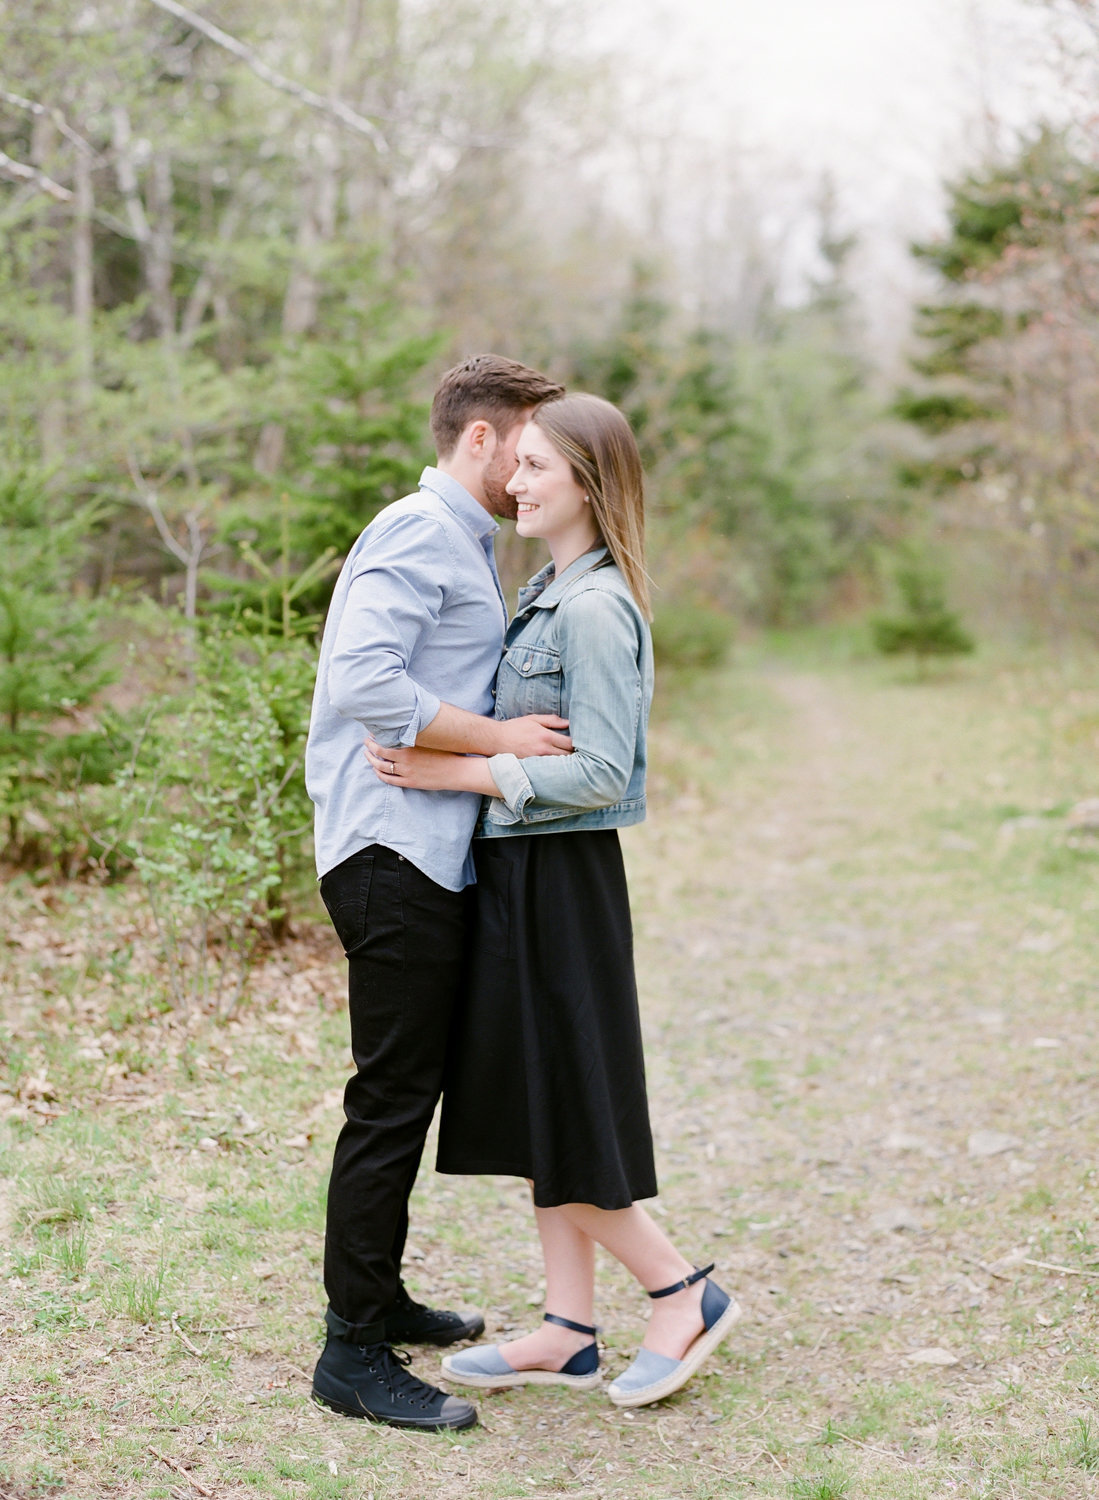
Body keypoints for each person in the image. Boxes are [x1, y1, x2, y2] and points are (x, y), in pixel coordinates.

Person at [363, 393, 740, 1410]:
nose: (513, 482)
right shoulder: (547, 588)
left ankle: (679, 1292)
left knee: (568, 1100)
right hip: (519, 873)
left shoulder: (595, 606)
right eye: (514, 463)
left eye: (535, 467)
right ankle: (569, 1329)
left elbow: (607, 775)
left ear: (587, 480)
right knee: (539, 1097)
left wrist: (455, 774)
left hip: (562, 876)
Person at [305, 354, 566, 1432]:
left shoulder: (461, 541)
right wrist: (497, 737)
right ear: (480, 440)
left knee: (406, 1095)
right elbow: (364, 680)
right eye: (529, 447)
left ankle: (379, 1298)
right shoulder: (419, 529)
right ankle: (351, 1354)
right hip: (389, 856)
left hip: (421, 855)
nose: (534, 467)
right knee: (390, 1100)